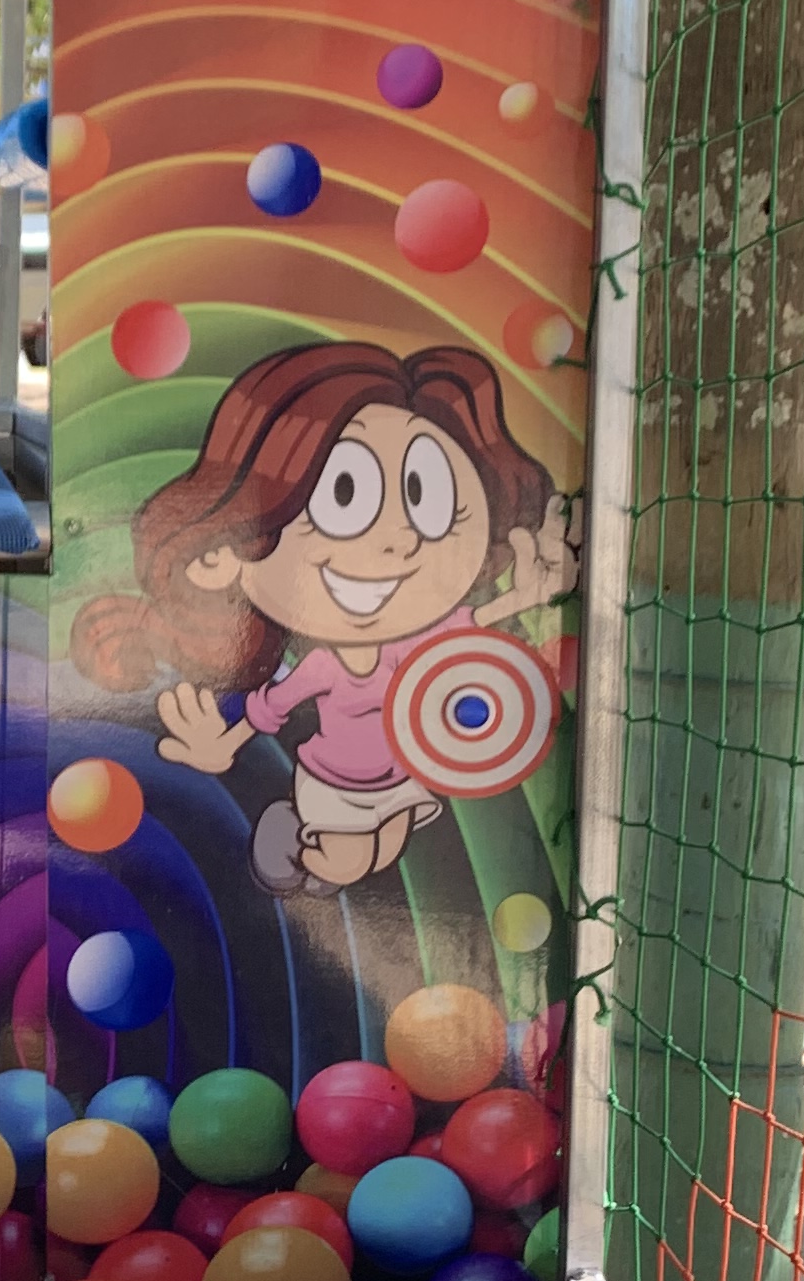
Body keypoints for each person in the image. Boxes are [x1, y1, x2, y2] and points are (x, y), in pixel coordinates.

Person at [69, 337, 575, 895]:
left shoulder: (419, 643)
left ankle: (307, 851)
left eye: (424, 496)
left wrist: (532, 597)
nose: (400, 539)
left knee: (386, 845)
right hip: (336, 785)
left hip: (403, 779)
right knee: (351, 857)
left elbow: (473, 629)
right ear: (223, 553)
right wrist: (222, 747)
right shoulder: (323, 668)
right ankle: (303, 849)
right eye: (346, 494)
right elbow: (271, 709)